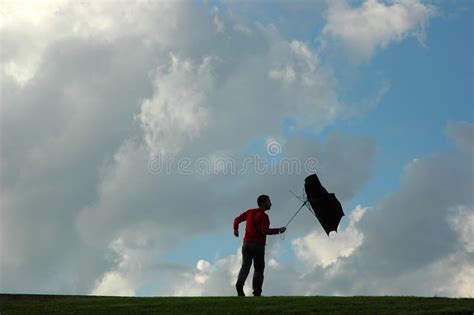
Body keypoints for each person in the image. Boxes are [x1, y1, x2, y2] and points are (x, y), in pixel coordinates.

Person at [233, 194, 286, 297]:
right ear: (263, 203)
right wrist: (278, 230)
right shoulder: (264, 216)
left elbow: (236, 219)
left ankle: (239, 284)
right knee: (259, 269)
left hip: (246, 244)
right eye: (268, 201)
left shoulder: (249, 212)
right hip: (258, 246)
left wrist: (235, 229)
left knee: (245, 266)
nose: (270, 203)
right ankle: (257, 291)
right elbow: (264, 231)